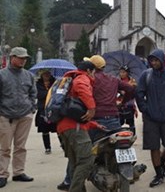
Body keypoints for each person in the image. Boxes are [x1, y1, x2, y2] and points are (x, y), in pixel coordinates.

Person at [136, 49, 165, 188]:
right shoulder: (146, 75)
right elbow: (139, 93)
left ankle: (161, 163)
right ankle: (159, 173)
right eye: (152, 60)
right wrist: (145, 109)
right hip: (151, 118)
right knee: (154, 146)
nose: (154, 63)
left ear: (162, 60)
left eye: (156, 60)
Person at [57, 61, 100, 192]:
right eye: (94, 72)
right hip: (74, 128)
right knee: (87, 160)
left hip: (64, 127)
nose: (94, 76)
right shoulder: (82, 78)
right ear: (88, 71)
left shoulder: (71, 80)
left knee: (76, 162)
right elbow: (82, 87)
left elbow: (76, 113)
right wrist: (92, 108)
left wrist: (94, 124)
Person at [0, 47, 37, 188]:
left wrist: (32, 109)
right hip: (5, 116)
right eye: (20, 58)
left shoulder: (28, 75)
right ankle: (2, 174)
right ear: (12, 57)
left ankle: (18, 172)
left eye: (25, 58)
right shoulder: (2, 75)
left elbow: (33, 93)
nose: (23, 60)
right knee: (4, 148)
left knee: (20, 147)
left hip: (24, 115)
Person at [83, 55, 135, 140]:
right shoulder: (113, 79)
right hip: (113, 118)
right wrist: (123, 102)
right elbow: (131, 89)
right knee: (115, 148)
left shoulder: (89, 80)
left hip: (96, 119)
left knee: (93, 148)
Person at [35, 69, 57, 154]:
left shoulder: (55, 82)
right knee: (44, 129)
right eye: (44, 74)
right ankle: (47, 147)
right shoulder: (38, 84)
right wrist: (49, 92)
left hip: (53, 108)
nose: (46, 75)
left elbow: (57, 94)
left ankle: (63, 145)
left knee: (57, 128)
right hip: (42, 108)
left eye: (48, 73)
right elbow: (39, 95)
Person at [117, 65, 138, 134]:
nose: (122, 74)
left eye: (123, 72)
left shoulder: (132, 81)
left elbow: (135, 93)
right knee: (119, 123)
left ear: (127, 73)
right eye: (120, 72)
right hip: (119, 105)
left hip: (129, 105)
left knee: (131, 123)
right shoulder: (117, 81)